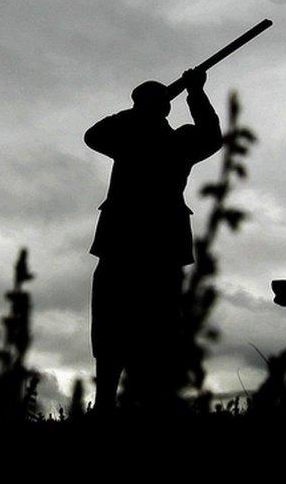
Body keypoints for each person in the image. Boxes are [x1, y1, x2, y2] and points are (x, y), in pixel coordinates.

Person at [85, 68, 223, 411]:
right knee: (141, 328)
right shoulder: (173, 141)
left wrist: (145, 108)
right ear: (165, 108)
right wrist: (195, 93)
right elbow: (211, 136)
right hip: (151, 248)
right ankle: (128, 404)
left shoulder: (130, 138)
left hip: (131, 247)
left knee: (123, 327)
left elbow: (95, 134)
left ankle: (118, 404)